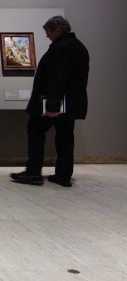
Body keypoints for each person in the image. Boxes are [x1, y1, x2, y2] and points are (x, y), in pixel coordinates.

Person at [10, 16, 89, 187]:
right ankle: (63, 175)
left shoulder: (60, 48)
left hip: (56, 104)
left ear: (57, 30)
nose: (47, 36)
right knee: (65, 137)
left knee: (35, 131)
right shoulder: (79, 46)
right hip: (71, 104)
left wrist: (53, 105)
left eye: (48, 32)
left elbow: (56, 79)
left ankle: (33, 172)